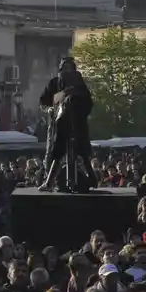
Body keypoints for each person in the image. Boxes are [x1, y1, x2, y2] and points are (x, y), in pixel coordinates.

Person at [39, 55, 95, 192]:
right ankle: (50, 181)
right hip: (58, 124)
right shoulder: (54, 83)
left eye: (70, 68)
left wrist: (78, 110)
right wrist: (50, 109)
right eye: (65, 68)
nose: (67, 72)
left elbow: (88, 103)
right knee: (55, 153)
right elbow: (43, 103)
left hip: (77, 123)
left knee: (82, 152)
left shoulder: (80, 86)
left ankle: (92, 178)